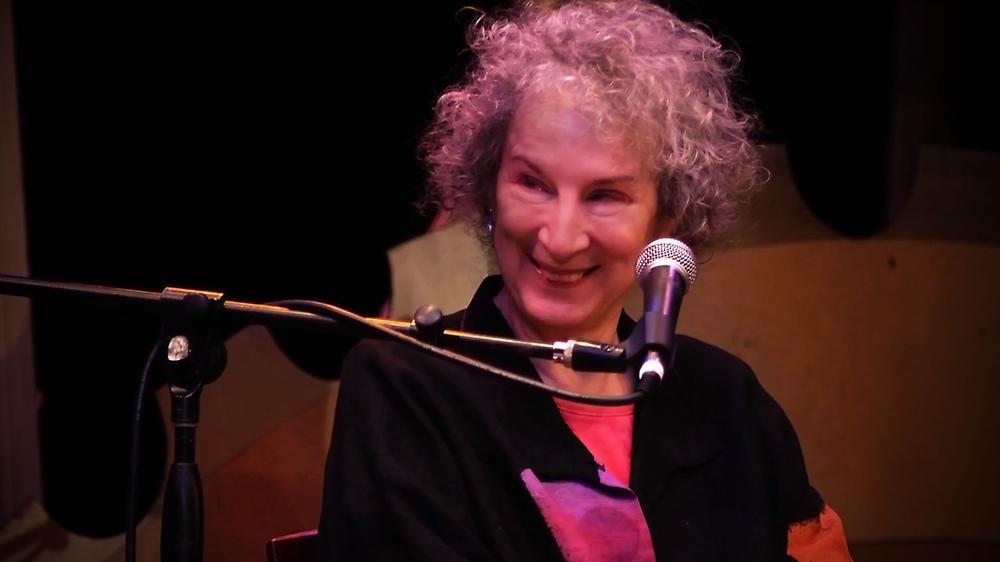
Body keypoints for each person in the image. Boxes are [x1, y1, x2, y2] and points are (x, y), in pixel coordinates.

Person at [317, 1, 852, 560]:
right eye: (533, 183)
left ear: (666, 219)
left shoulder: (726, 397)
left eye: (604, 196)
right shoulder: (404, 385)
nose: (561, 237)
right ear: (488, 187)